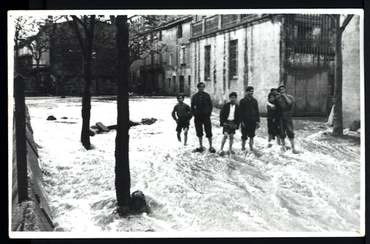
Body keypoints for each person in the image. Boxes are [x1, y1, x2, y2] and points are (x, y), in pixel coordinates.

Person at [191, 82, 216, 153]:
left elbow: (210, 105)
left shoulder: (207, 95)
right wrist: (194, 114)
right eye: (200, 87)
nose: (201, 88)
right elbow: (192, 106)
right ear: (198, 88)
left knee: (208, 130)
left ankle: (211, 146)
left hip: (206, 116)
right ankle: (201, 146)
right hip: (198, 116)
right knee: (199, 131)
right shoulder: (195, 96)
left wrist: (209, 113)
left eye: (203, 87)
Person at [275, 84, 298, 154]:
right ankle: (283, 146)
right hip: (281, 116)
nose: (282, 91)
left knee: (290, 131)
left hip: (288, 116)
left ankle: (293, 147)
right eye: (280, 90)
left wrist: (284, 96)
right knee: (282, 132)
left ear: (285, 90)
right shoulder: (277, 98)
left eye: (283, 89)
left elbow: (290, 103)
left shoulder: (289, 97)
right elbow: (271, 101)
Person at [239, 86, 260, 152]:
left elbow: (257, 111)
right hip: (245, 121)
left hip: (253, 121)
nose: (251, 93)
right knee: (244, 136)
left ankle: (251, 148)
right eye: (250, 91)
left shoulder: (254, 101)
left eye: (252, 91)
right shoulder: (242, 101)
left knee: (252, 135)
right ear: (246, 92)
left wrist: (258, 121)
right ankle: (243, 148)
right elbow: (240, 112)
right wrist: (241, 121)